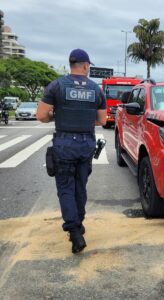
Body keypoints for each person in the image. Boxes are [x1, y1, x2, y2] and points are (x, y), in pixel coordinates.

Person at [37, 49, 107, 254]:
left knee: (66, 188)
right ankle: (79, 222)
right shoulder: (96, 89)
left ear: (71, 64)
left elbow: (41, 116)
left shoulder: (56, 86)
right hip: (86, 144)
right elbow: (102, 121)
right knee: (80, 186)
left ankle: (74, 231)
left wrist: (56, 117)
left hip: (64, 144)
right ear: (85, 66)